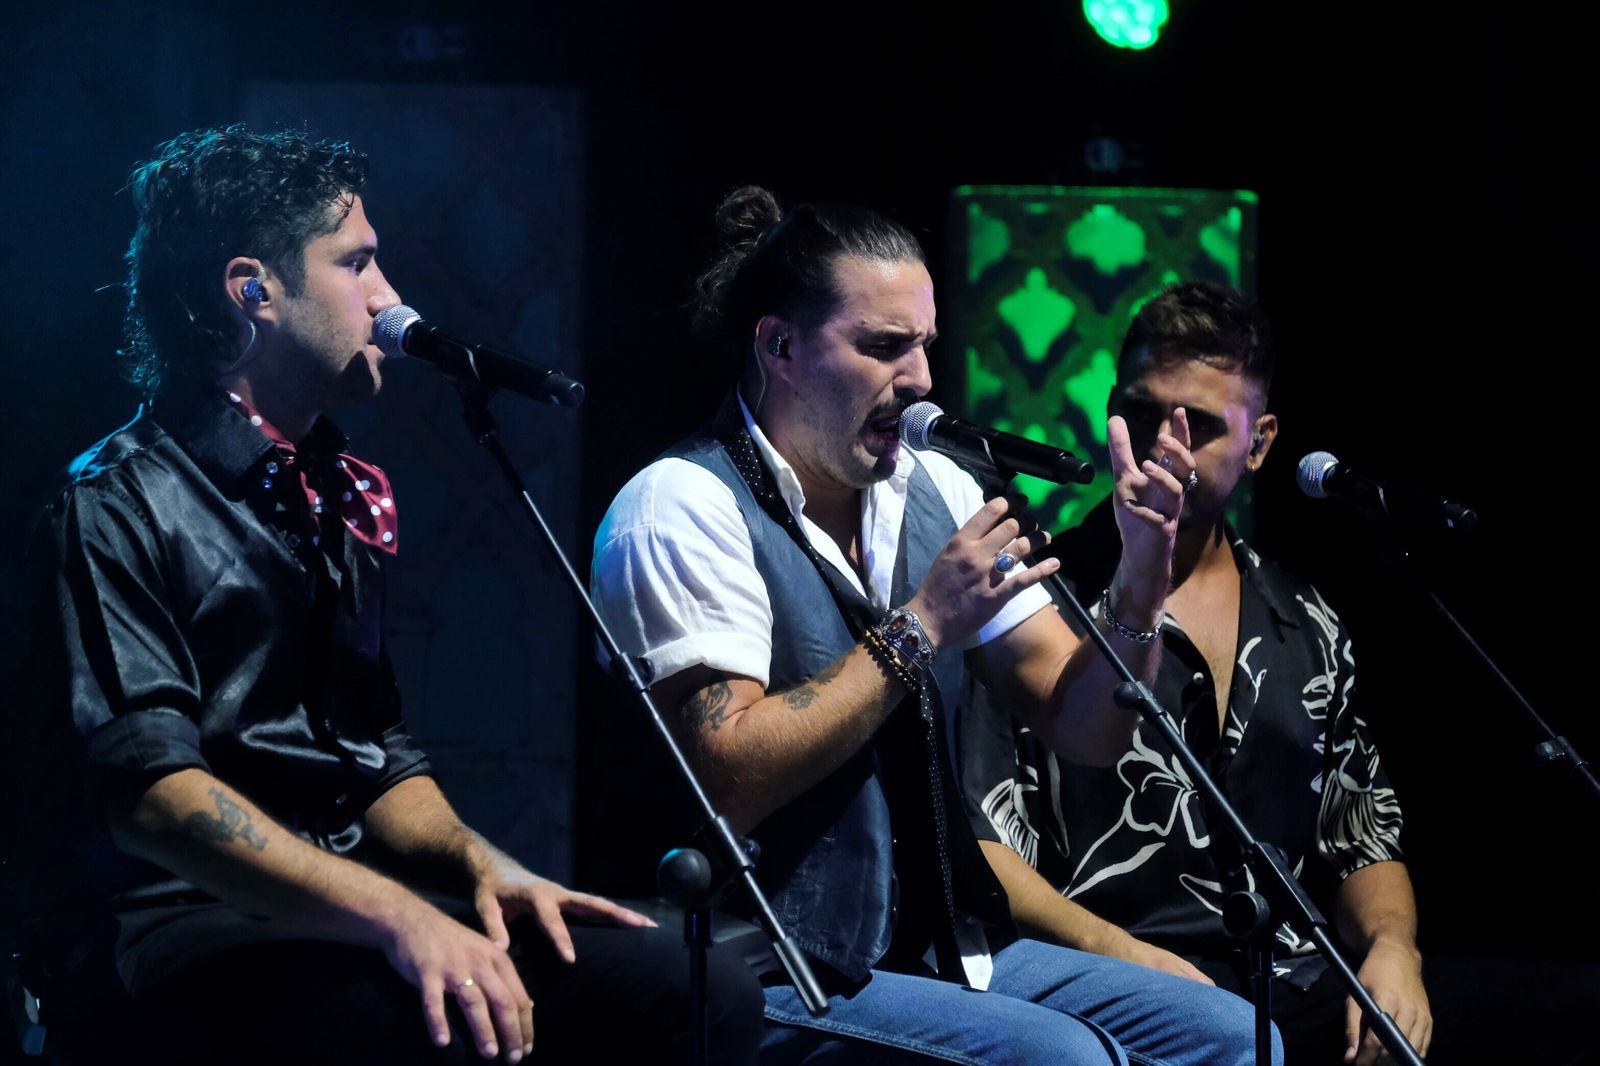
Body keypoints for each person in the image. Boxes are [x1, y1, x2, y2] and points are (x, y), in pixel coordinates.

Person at [5, 126, 763, 1066]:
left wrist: (487, 869)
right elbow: (153, 800)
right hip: (175, 938)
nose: (390, 296)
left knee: (695, 993)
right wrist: (399, 915)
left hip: (329, 918)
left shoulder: (334, 494)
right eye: (357, 262)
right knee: (459, 1028)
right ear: (254, 289)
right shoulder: (114, 504)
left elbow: (378, 757)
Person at [590, 187, 1274, 1064]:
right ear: (781, 346)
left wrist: (1141, 579)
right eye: (881, 347)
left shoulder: (938, 489)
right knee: (1058, 1059)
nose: (916, 379)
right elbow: (727, 778)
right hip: (766, 960)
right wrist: (920, 625)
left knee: (1236, 1040)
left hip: (949, 943)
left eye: (922, 346)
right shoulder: (680, 504)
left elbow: (1086, 727)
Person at [966, 280, 1600, 1065]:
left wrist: (1395, 949)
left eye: (1198, 425)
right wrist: (1126, 960)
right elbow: (983, 841)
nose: (1165, 444)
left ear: (1260, 442)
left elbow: (1359, 830)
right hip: (1112, 978)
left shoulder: (1306, 618)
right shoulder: (1034, 599)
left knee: (1571, 1008)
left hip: (1292, 979)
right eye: (1138, 410)